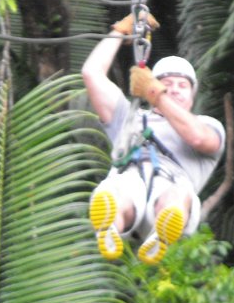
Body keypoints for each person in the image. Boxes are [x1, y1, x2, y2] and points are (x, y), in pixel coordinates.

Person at [82, 13, 225, 265]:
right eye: (167, 83)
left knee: (176, 194)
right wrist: (120, 30)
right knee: (116, 192)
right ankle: (110, 226)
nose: (174, 89)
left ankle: (163, 228)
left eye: (182, 85)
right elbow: (92, 74)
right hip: (130, 179)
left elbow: (200, 140)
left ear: (193, 95)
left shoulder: (207, 125)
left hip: (172, 186)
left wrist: (156, 94)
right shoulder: (130, 118)